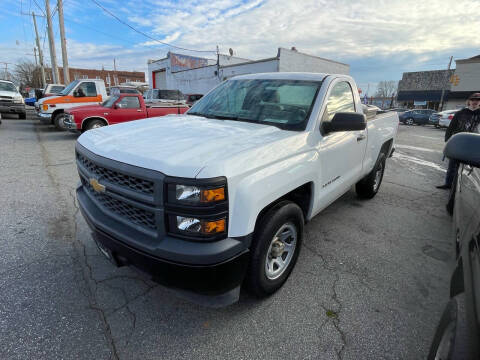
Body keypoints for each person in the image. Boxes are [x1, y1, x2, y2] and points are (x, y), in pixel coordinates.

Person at [436, 93, 480, 189]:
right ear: (469, 101)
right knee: (452, 165)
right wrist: (448, 140)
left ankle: (464, 187)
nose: (475, 102)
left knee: (470, 168)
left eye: (477, 100)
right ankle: (448, 184)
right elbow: (451, 127)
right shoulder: (461, 113)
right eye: (473, 100)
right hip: (459, 143)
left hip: (474, 144)